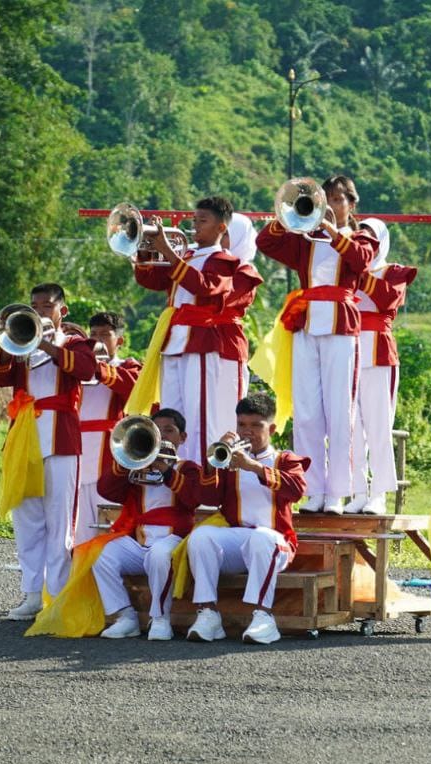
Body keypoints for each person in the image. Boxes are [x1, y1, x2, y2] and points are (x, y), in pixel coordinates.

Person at [255, 175, 377, 514]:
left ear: (352, 205)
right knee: (307, 411)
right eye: (328, 200)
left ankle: (337, 492)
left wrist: (335, 232)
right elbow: (265, 242)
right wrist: (289, 215)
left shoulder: (362, 235)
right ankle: (312, 490)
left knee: (340, 411)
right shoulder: (305, 239)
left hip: (341, 323)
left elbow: (363, 261)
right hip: (306, 323)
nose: (333, 207)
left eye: (340, 200)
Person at [0, 284, 98, 619]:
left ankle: (59, 596)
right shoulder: (22, 342)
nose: (39, 311)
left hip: (62, 437)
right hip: (25, 436)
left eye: (46, 305)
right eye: (34, 305)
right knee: (27, 519)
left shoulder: (76, 342)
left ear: (62, 310)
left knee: (60, 521)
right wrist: (9, 347)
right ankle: (32, 594)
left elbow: (86, 370)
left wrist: (45, 343)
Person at [129, 197, 262, 463]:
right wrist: (146, 248)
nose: (195, 226)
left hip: (207, 342)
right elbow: (151, 279)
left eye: (203, 221)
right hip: (176, 341)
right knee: (172, 416)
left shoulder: (229, 262)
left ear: (223, 229)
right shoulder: (187, 255)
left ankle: (205, 475)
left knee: (203, 414)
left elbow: (205, 288)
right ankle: (174, 471)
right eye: (195, 220)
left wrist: (168, 251)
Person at [185, 392, 308, 645]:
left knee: (261, 538)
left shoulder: (285, 459)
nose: (247, 431)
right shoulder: (230, 462)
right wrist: (211, 466)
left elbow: (296, 490)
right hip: (238, 541)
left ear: (272, 428)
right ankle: (208, 613)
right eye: (242, 425)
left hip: (276, 542)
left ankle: (264, 617)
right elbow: (207, 498)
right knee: (200, 537)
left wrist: (252, 466)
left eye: (255, 425)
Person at [91, 409, 204, 640]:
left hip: (173, 541)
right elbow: (106, 490)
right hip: (139, 541)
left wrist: (167, 471)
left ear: (182, 438)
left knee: (160, 555)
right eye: (157, 431)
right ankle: (125, 617)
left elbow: (194, 498)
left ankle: (160, 619)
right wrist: (126, 464)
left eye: (169, 431)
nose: (162, 437)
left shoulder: (188, 468)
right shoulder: (137, 466)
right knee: (100, 555)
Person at [349, 218, 416, 515]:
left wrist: (360, 272)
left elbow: (388, 299)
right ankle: (357, 491)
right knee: (350, 429)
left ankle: (379, 494)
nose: (366, 241)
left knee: (378, 427)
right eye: (360, 235)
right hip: (346, 351)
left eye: (371, 237)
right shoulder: (344, 270)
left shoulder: (393, 271)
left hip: (377, 351)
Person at [74, 311, 142, 545]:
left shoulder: (129, 366)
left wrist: (97, 367)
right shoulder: (75, 372)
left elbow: (133, 389)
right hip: (77, 457)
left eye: (105, 334)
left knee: (110, 532)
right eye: (93, 334)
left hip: (110, 461)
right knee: (78, 535)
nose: (98, 339)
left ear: (119, 341)